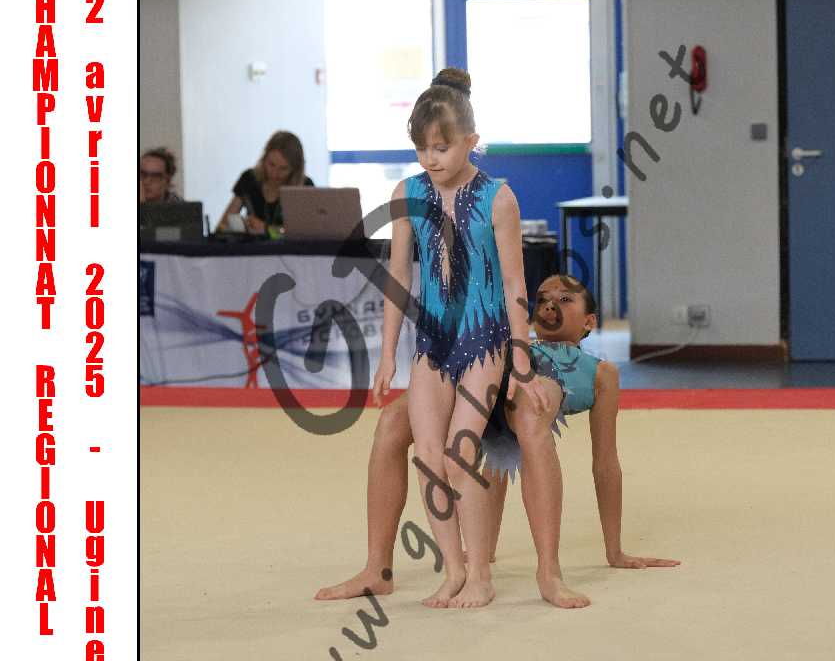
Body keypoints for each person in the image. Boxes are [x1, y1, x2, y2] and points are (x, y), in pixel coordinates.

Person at [316, 274, 678, 609]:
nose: (550, 305)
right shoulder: (516, 345)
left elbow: (605, 462)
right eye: (542, 299)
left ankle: (549, 572)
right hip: (492, 373)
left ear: (589, 321)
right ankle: (377, 569)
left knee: (529, 415)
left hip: (533, 394)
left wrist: (615, 550)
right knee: (393, 420)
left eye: (565, 299)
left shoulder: (601, 371)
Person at [371, 67, 551, 611]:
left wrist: (521, 361)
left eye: (441, 148)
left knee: (458, 452)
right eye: (422, 149)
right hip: (433, 341)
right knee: (428, 455)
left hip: (485, 339)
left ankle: (480, 573)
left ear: (472, 141)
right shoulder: (408, 193)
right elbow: (398, 277)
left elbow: (515, 284)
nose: (430, 159)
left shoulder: (499, 198)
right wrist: (386, 354)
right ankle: (452, 570)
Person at [216, 130, 314, 235]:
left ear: (295, 169)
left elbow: (309, 233)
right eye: (271, 164)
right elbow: (221, 227)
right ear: (264, 159)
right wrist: (240, 227)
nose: (275, 173)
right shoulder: (249, 178)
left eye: (283, 168)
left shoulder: (305, 186)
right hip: (253, 245)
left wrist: (267, 230)